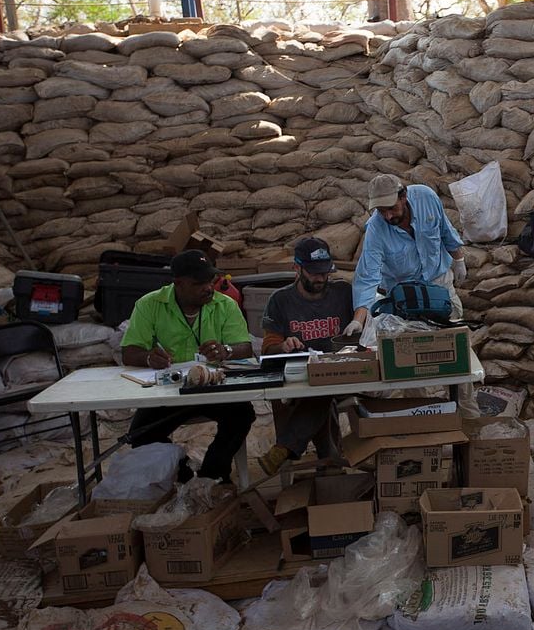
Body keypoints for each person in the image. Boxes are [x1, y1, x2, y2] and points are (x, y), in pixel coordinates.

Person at [121, 249, 255, 483]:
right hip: (169, 390)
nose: (208, 288)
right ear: (178, 283)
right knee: (139, 434)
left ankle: (213, 474)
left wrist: (226, 351)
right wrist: (150, 359)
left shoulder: (225, 305)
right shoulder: (149, 304)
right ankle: (183, 473)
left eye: (210, 281)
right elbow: (129, 352)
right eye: (199, 283)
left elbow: (245, 347)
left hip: (213, 386)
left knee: (242, 415)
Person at [257, 237, 355, 475]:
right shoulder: (280, 300)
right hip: (300, 378)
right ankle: (329, 463)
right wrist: (283, 345)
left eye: (324, 272)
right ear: (297, 268)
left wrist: (358, 324)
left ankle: (286, 447)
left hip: (341, 371)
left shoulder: (343, 293)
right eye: (313, 273)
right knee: (318, 391)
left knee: (323, 385)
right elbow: (268, 347)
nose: (320, 278)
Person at [348, 174, 466, 334]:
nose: (388, 216)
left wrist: (459, 260)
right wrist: (358, 320)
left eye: (391, 208)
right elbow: (368, 276)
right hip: (404, 296)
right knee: (411, 344)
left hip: (439, 283)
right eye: (381, 211)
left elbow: (446, 231)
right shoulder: (376, 229)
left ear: (403, 196)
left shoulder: (427, 198)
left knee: (451, 334)